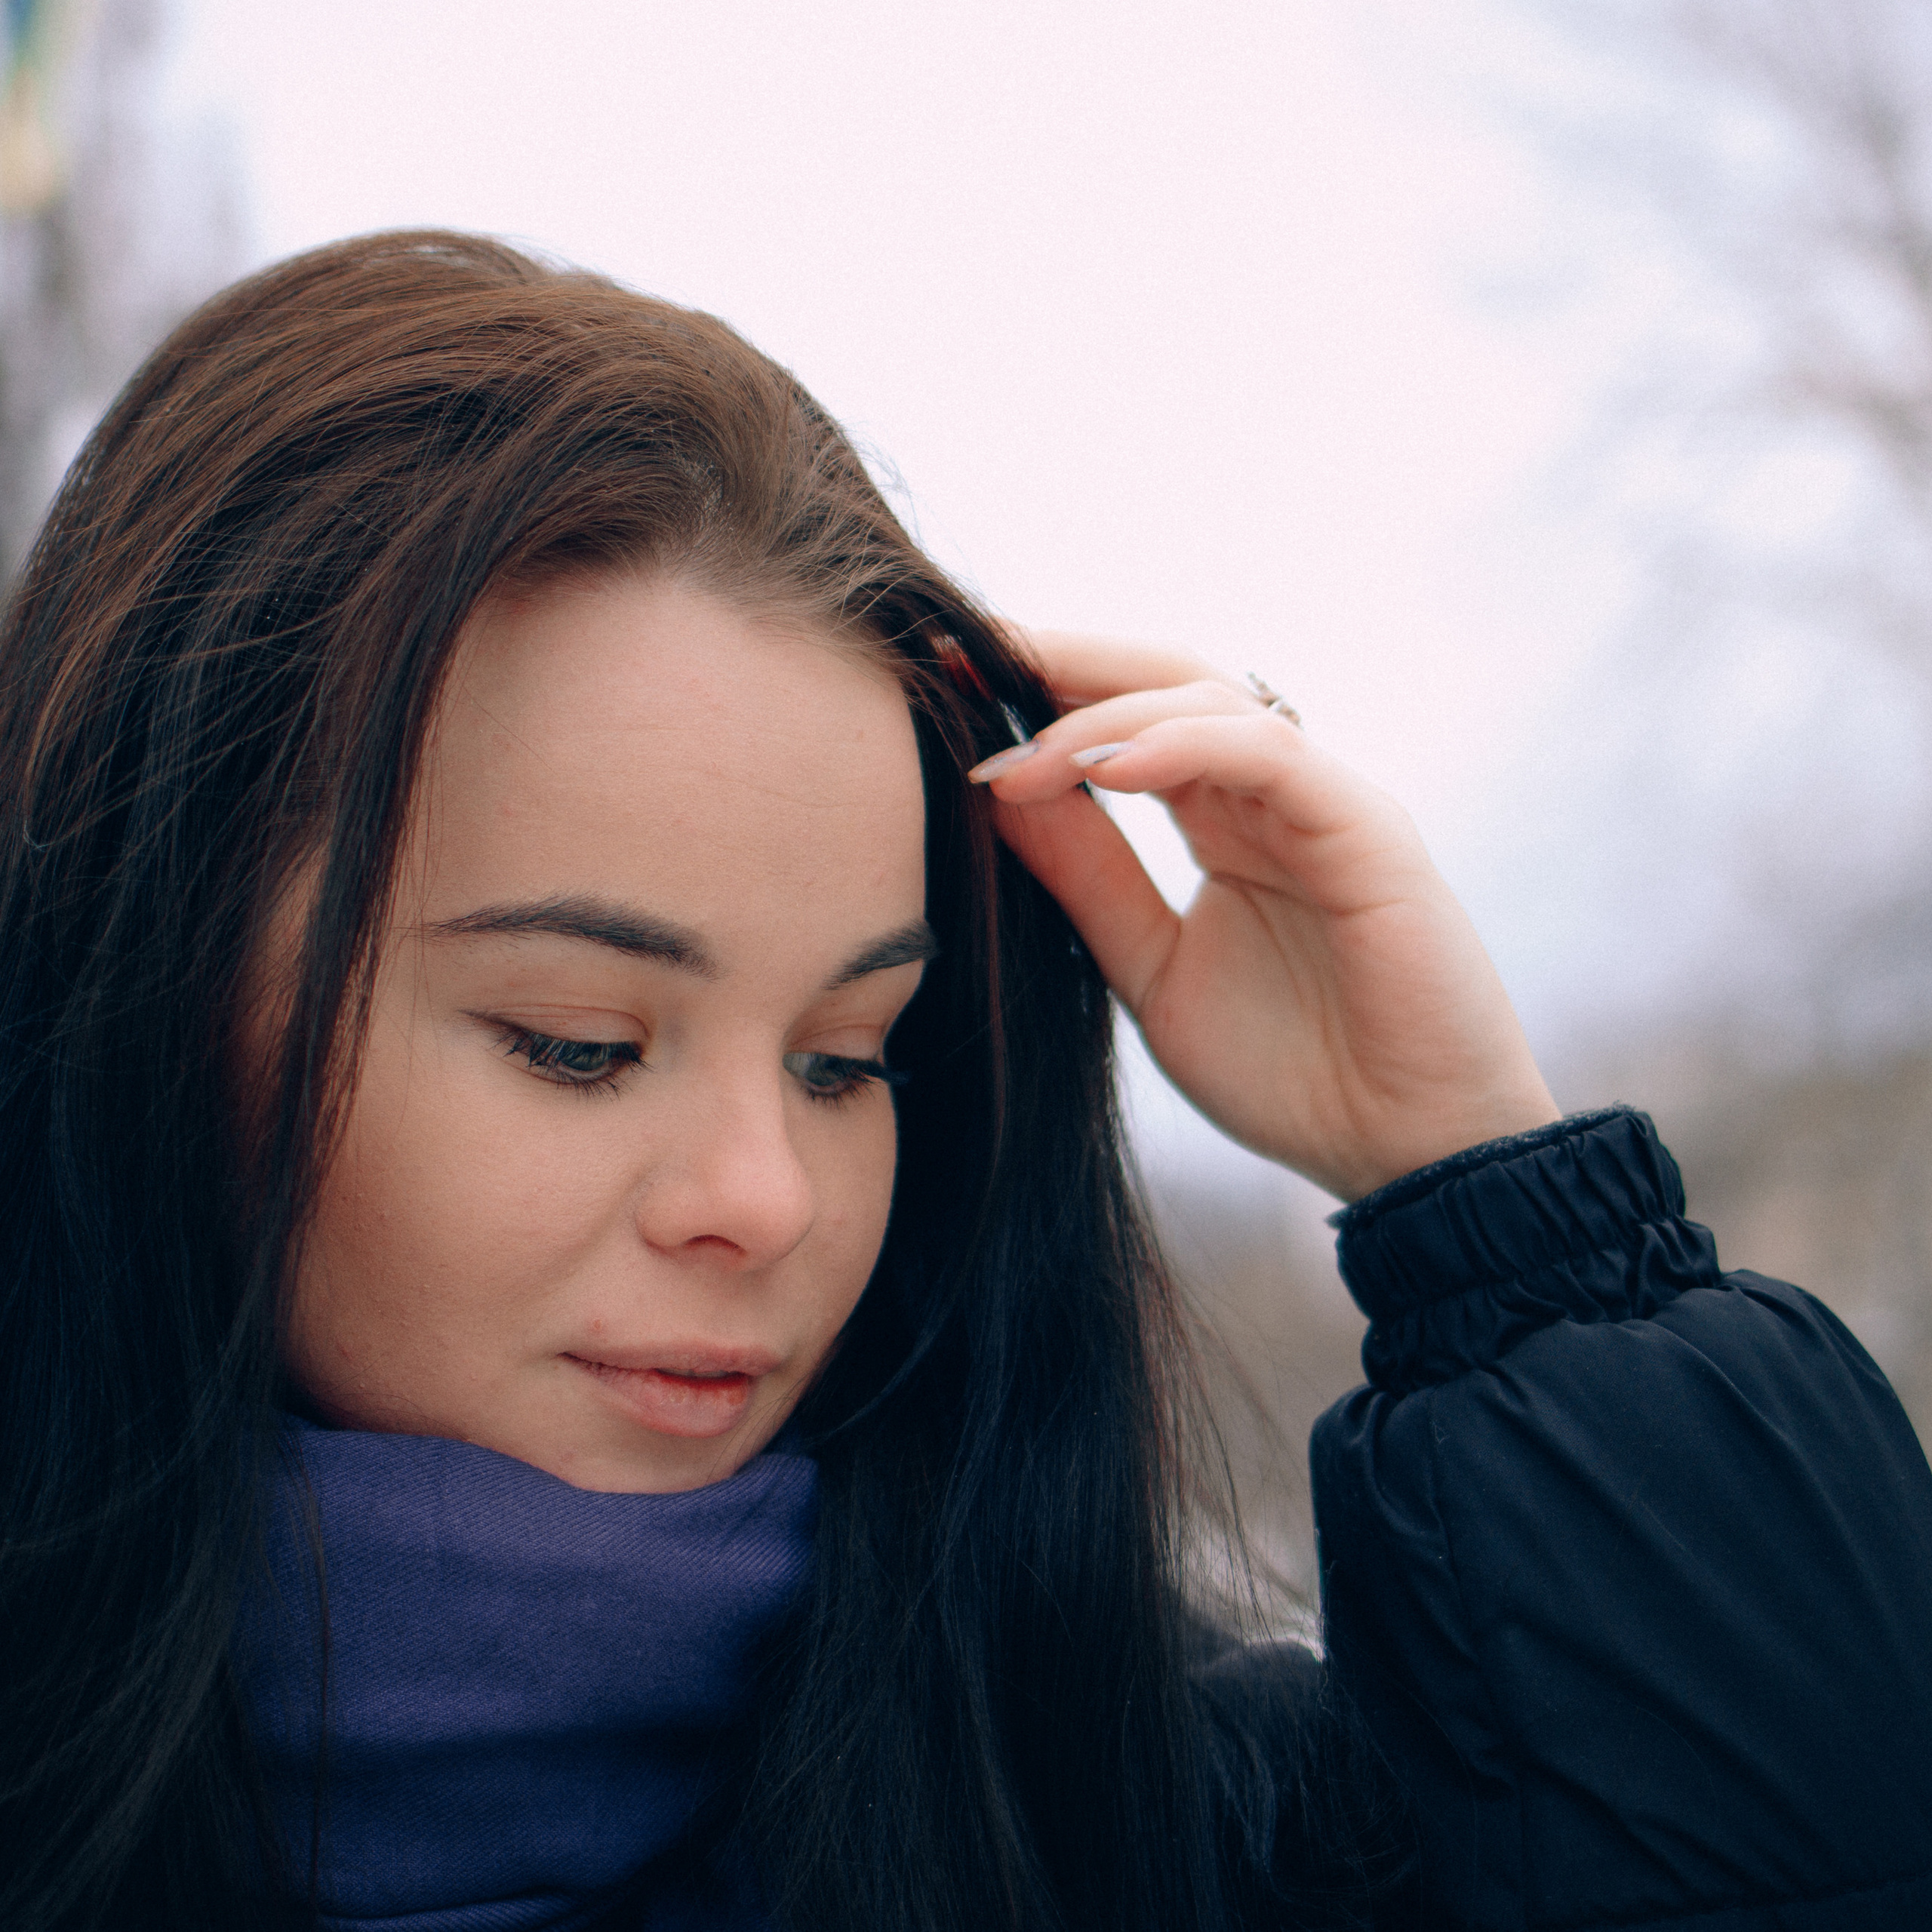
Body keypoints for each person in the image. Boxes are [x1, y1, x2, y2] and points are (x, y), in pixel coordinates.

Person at [0, 230, 1927, 1932]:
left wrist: (1496, 1208)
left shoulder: (1180, 1832)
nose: (765, 1194)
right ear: (143, 989)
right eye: (577, 1042)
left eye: (849, 1059)